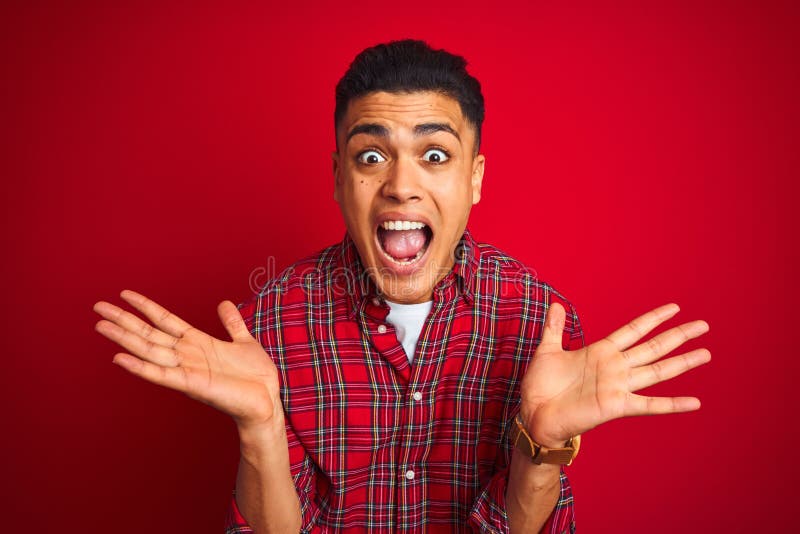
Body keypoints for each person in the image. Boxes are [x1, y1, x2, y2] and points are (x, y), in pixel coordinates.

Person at [93, 40, 710, 533]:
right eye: (371, 157)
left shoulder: (536, 320)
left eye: (435, 156)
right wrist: (261, 431)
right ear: (338, 177)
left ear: (475, 177)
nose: (400, 186)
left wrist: (541, 448)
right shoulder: (271, 323)